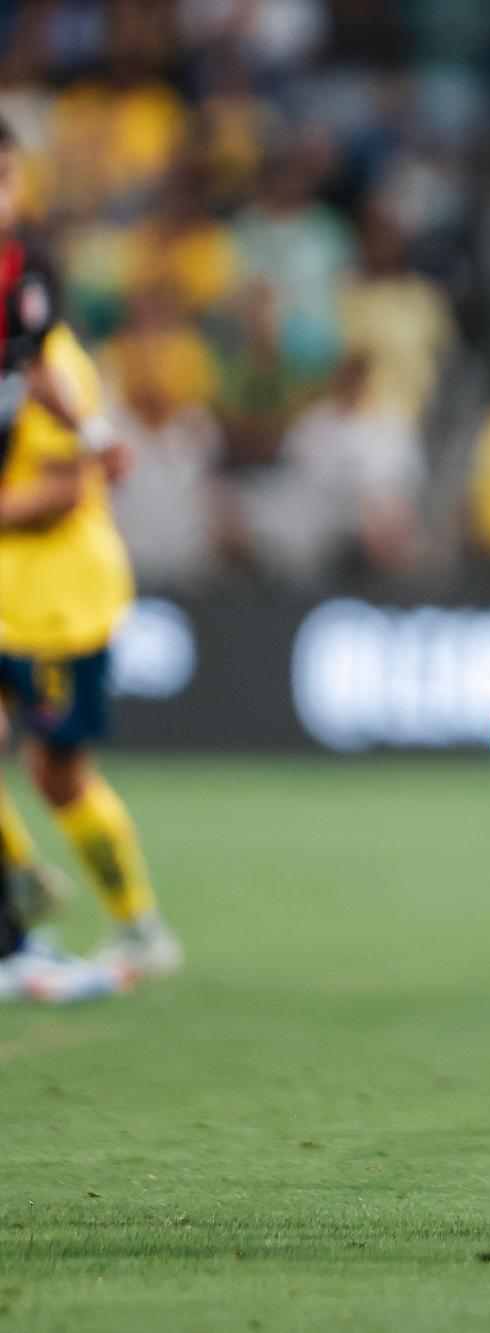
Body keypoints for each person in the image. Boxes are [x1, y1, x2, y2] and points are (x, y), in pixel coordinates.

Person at [0, 117, 142, 1002]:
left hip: (56, 600)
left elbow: (65, 487)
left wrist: (92, 434)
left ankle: (134, 924)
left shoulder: (40, 323)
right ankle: (17, 905)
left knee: (58, 776)